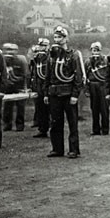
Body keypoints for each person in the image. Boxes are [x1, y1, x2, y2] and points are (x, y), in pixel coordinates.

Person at [44, 26, 84, 159]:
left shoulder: (72, 55)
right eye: (55, 37)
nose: (57, 40)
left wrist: (75, 95)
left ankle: (74, 149)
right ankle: (57, 149)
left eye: (59, 37)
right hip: (54, 93)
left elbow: (78, 77)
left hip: (68, 93)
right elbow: (47, 76)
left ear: (66, 39)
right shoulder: (51, 57)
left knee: (72, 123)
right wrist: (46, 93)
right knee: (55, 123)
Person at [84, 41, 110, 136]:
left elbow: (108, 75)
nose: (95, 52)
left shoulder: (105, 60)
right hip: (92, 85)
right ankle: (96, 130)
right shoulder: (88, 62)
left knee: (104, 108)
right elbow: (85, 77)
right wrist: (86, 89)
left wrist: (108, 89)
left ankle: (105, 129)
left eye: (97, 50)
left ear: (100, 50)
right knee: (94, 108)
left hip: (103, 85)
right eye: (93, 50)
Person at [2, 43, 30, 131]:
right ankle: (7, 124)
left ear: (16, 51)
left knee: (20, 106)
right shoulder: (2, 60)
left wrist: (25, 87)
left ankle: (20, 125)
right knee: (7, 106)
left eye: (13, 50)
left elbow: (26, 74)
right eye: (8, 50)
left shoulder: (21, 60)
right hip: (7, 86)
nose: (10, 52)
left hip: (19, 85)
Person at [29, 38, 51, 138]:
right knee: (40, 108)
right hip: (38, 85)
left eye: (44, 46)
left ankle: (50, 128)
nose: (41, 48)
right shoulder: (37, 58)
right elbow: (33, 72)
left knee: (49, 109)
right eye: (40, 46)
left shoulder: (49, 58)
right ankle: (42, 129)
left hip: (46, 86)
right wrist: (31, 86)